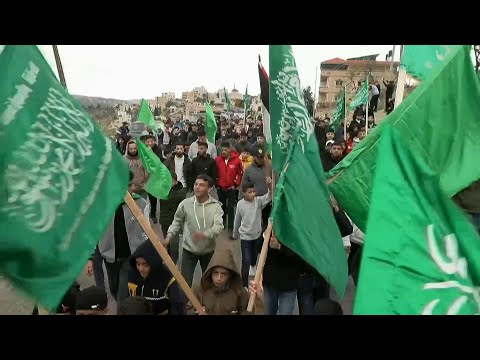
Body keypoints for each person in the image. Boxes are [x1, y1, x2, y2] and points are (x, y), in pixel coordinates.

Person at [85, 170, 150, 304]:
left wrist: (148, 253)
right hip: (110, 257)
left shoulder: (140, 203)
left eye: (132, 184)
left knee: (123, 294)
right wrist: (90, 257)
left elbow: (147, 231)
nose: (133, 188)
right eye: (129, 185)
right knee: (114, 288)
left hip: (131, 256)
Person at [165, 174, 224, 287]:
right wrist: (169, 236)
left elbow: (219, 227)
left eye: (202, 185)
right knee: (185, 284)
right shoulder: (185, 204)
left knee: (209, 283)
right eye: (196, 184)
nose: (197, 187)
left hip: (208, 251)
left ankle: (205, 304)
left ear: (209, 189)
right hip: (188, 250)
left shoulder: (216, 207)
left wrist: (205, 234)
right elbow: (176, 221)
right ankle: (185, 303)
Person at [128, 240, 186, 315]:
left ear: (153, 263)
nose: (140, 269)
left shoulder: (166, 278)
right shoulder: (133, 274)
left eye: (145, 265)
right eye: (138, 264)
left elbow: (178, 305)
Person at [233, 179, 272, 287]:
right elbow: (237, 219)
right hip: (245, 237)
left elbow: (269, 196)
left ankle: (253, 266)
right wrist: (234, 233)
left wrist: (269, 186)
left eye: (254, 191)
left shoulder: (258, 202)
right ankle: (244, 284)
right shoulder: (240, 205)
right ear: (244, 193)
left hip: (256, 235)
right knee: (246, 260)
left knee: (254, 255)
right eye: (250, 192)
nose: (253, 194)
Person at [189, 249, 248, 315]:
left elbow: (246, 311)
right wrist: (195, 313)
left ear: (230, 275)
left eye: (223, 274)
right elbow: (188, 310)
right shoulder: (199, 288)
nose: (219, 278)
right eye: (215, 273)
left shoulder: (239, 291)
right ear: (210, 273)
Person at [262, 229, 304, 315]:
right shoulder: (273, 224)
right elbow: (258, 248)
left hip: (288, 283)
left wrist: (280, 247)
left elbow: (301, 256)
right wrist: (264, 236)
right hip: (270, 281)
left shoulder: (298, 229)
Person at [239, 148, 272, 230]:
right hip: (254, 200)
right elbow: (244, 184)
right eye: (258, 158)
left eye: (262, 157)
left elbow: (276, 181)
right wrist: (240, 198)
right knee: (254, 222)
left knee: (267, 223)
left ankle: (265, 239)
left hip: (268, 201)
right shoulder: (249, 169)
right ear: (254, 157)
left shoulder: (270, 167)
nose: (260, 160)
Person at [215, 142, 243, 233]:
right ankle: (222, 224)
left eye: (225, 150)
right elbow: (214, 172)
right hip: (220, 188)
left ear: (229, 150)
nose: (223, 152)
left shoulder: (236, 160)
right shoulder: (217, 160)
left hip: (231, 188)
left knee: (231, 208)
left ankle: (231, 226)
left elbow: (240, 173)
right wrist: (216, 184)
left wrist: (236, 184)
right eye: (222, 150)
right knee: (221, 207)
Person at [159, 172, 186, 264]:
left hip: (175, 221)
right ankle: (168, 260)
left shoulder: (181, 192)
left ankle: (173, 263)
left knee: (174, 244)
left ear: (175, 181)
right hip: (164, 220)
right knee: (167, 242)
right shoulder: (164, 190)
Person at [143, 134, 165, 223]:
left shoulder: (158, 149)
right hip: (145, 177)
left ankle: (153, 213)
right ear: (145, 142)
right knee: (145, 197)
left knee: (154, 196)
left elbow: (158, 161)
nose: (150, 143)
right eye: (148, 142)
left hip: (155, 177)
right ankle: (144, 213)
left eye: (151, 141)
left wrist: (151, 153)